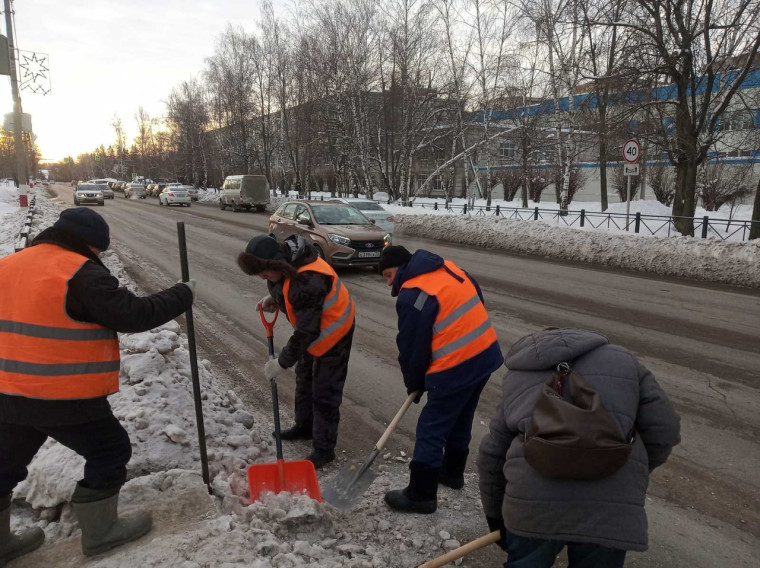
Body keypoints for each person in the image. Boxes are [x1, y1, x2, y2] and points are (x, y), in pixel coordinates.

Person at [0, 207, 195, 563]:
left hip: (9, 390)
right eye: (100, 252)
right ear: (90, 245)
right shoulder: (79, 273)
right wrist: (182, 295)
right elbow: (133, 314)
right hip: (63, 394)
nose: (100, 258)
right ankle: (102, 533)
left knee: (5, 463)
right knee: (110, 450)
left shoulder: (9, 265)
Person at [478, 328, 681, 568]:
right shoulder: (625, 361)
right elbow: (664, 430)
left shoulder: (519, 374)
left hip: (533, 504)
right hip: (610, 506)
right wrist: (630, 472)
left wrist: (495, 515)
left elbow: (493, 454)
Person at [378, 245, 503, 514]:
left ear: (400, 268)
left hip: (457, 365)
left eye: (388, 275)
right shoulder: (448, 267)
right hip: (485, 353)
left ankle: (421, 495)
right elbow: (476, 295)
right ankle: (452, 473)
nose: (389, 282)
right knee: (461, 415)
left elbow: (412, 347)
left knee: (431, 426)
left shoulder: (413, 294)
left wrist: (414, 382)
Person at [237, 234, 355, 469]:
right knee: (305, 379)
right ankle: (305, 427)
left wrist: (281, 362)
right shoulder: (288, 267)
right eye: (258, 273)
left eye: (264, 271)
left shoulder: (308, 279)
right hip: (314, 330)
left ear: (276, 263)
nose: (262, 277)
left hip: (335, 331)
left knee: (325, 392)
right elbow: (287, 290)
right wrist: (276, 297)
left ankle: (324, 449)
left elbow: (305, 332)